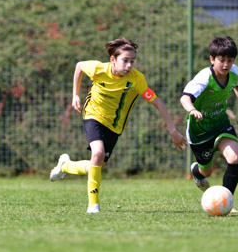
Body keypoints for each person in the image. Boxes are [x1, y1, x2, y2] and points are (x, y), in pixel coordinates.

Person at [49, 38, 187, 213]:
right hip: (93, 115)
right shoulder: (98, 69)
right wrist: (75, 95)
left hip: (114, 126)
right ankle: (93, 205)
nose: (129, 65)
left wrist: (173, 130)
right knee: (97, 153)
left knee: (96, 166)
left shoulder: (137, 80)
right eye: (125, 60)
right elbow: (79, 66)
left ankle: (65, 165)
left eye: (132, 61)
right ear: (113, 59)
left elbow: (158, 103)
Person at [181, 36, 238, 203]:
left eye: (230, 60)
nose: (226, 65)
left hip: (220, 124)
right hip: (199, 130)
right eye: (221, 60)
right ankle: (197, 172)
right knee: (206, 172)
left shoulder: (234, 72)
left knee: (235, 158)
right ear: (212, 59)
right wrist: (192, 110)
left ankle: (226, 201)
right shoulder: (204, 78)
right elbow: (185, 98)